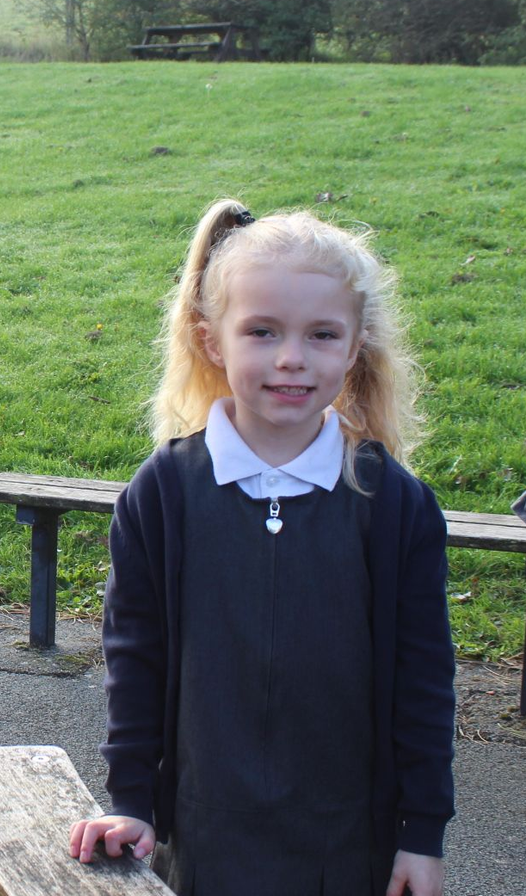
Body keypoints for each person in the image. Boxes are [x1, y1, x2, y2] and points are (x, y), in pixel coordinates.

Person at [69, 199, 455, 896]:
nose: (291, 359)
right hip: (205, 843)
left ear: (355, 344)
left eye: (321, 335)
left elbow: (423, 682)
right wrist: (130, 801)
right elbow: (135, 660)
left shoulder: (393, 504)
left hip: (348, 851)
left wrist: (421, 835)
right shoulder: (164, 493)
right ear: (212, 338)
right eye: (263, 331)